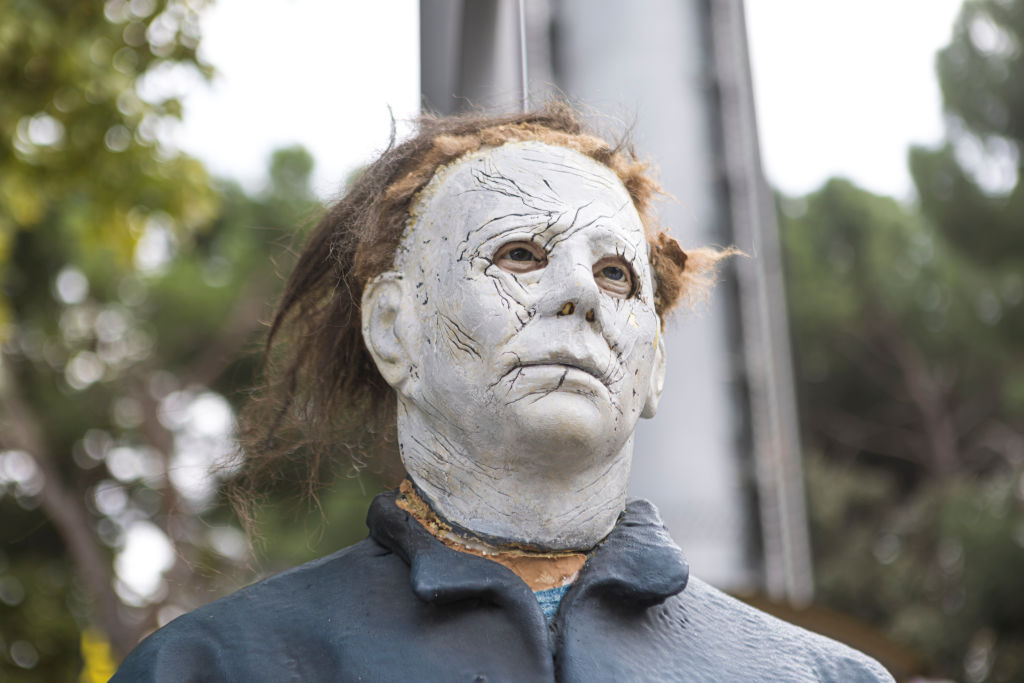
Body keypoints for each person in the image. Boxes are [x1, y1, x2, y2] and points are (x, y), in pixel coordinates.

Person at [113, 104, 894, 681]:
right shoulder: (208, 668)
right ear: (393, 328)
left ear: (653, 362)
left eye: (616, 274)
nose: (580, 297)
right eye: (520, 253)